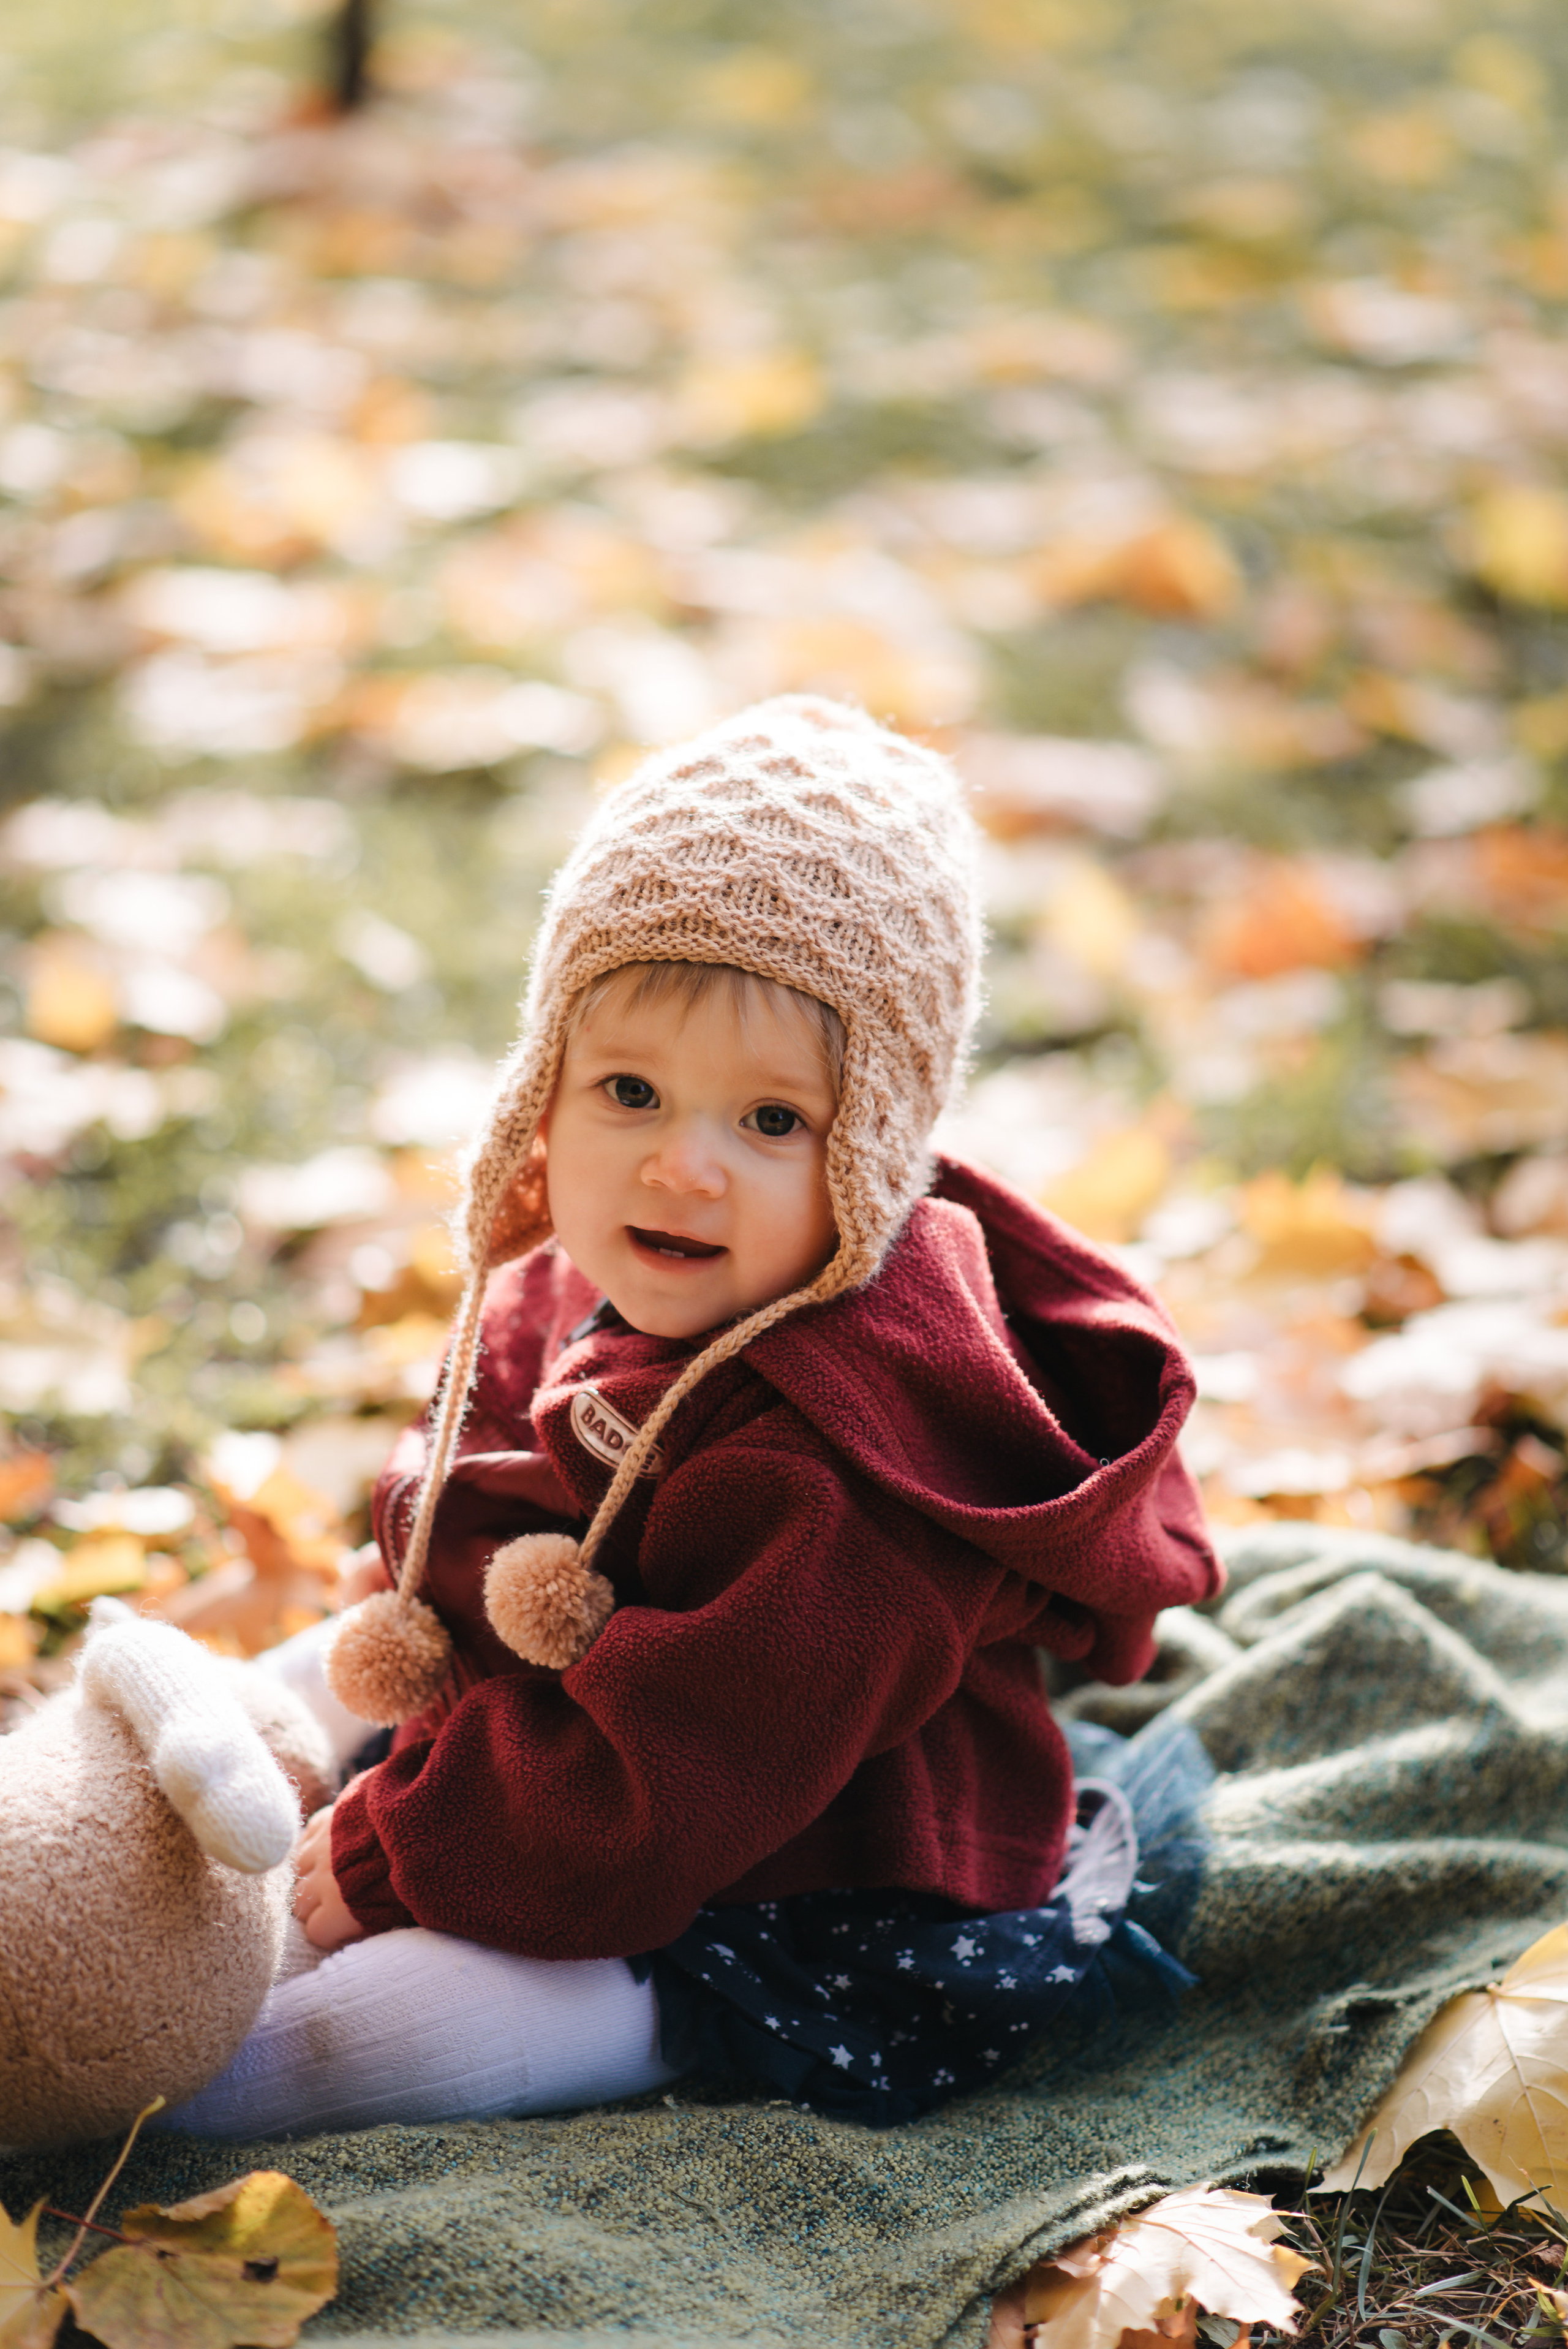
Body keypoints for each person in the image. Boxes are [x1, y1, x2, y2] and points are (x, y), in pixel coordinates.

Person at [165, 694, 1221, 2141]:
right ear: (545, 1092)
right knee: (291, 1686)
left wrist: (398, 1853)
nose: (682, 1168)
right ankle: (108, 1849)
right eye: (630, 1091)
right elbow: (491, 1426)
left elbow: (673, 1777)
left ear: (872, 1151)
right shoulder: (600, 1263)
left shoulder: (842, 1463)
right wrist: (425, 1570)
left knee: (370, 2027)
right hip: (558, 1731)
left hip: (770, 1881)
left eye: (770, 1121)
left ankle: (132, 2087)